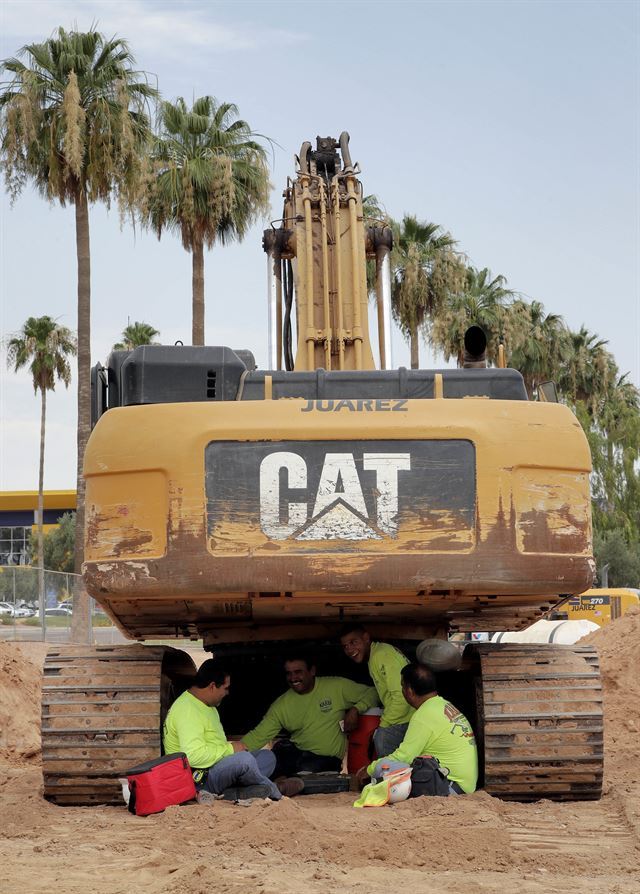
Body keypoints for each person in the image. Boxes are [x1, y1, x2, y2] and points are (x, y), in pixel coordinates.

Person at [163, 658, 302, 800]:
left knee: (267, 757)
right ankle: (275, 790)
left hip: (216, 767)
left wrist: (230, 752)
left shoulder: (206, 704)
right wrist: (230, 749)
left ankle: (235, 792)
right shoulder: (188, 710)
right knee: (245, 760)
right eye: (226, 688)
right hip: (199, 778)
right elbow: (192, 757)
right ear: (212, 686)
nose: (227, 693)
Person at [242, 655, 379, 777]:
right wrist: (231, 753)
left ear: (312, 671)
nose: (293, 678)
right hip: (294, 753)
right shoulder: (281, 704)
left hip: (326, 759)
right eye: (289, 673)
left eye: (298, 672)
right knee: (271, 759)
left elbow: (373, 693)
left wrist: (356, 709)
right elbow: (258, 736)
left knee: (306, 769)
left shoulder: (336, 686)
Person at [361, 662, 478, 796]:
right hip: (464, 784)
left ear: (409, 691)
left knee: (388, 771)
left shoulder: (424, 715)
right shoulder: (443, 705)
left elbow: (402, 757)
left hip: (450, 786)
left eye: (402, 686)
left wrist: (370, 770)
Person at [340, 624, 414, 756]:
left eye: (353, 642)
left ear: (366, 638)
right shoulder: (377, 655)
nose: (349, 649)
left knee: (388, 764)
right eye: (345, 646)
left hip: (405, 720)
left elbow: (401, 696)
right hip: (404, 718)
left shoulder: (382, 655)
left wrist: (383, 725)